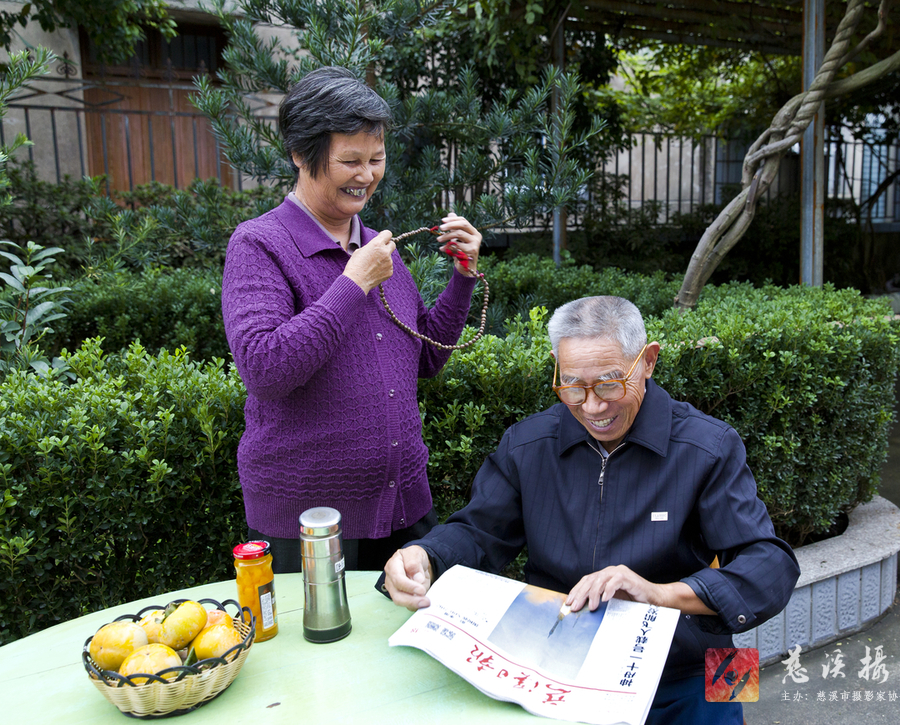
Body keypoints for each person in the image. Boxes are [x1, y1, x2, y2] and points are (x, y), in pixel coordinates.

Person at [381, 295, 799, 724]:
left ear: (648, 361)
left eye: (610, 383)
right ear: (557, 368)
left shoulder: (711, 445)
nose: (593, 406)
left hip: (693, 662)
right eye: (573, 386)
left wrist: (658, 594)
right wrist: (426, 555)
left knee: (728, 707)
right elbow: (478, 531)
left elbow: (772, 564)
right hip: (560, 665)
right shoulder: (527, 444)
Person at [222, 66, 483, 573]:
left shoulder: (374, 247)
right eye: (350, 161)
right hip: (308, 521)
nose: (366, 175)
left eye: (376, 159)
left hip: (404, 504)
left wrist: (463, 277)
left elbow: (427, 358)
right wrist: (352, 283)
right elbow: (265, 370)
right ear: (301, 154)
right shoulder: (259, 244)